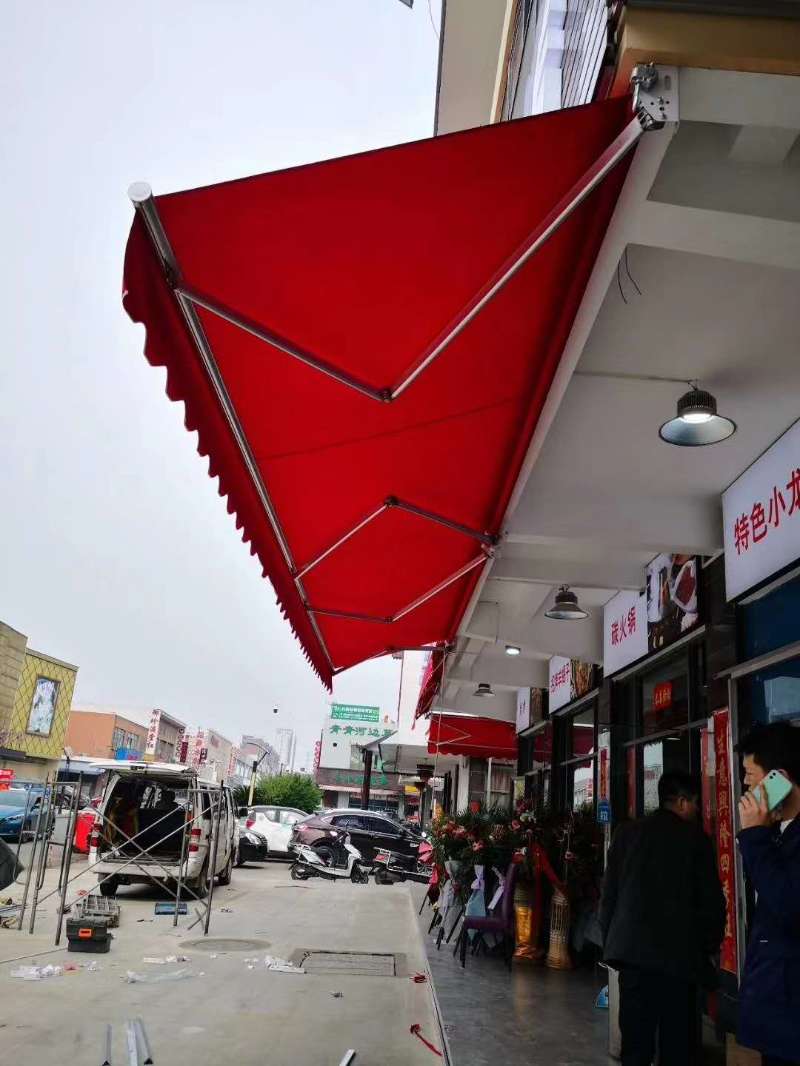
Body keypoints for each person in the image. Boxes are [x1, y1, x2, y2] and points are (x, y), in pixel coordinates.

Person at [601, 771, 725, 1066]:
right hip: (679, 963)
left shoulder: (626, 834)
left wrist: (613, 944)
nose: (696, 810)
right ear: (682, 801)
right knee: (677, 1048)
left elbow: (609, 898)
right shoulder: (696, 840)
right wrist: (708, 948)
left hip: (633, 960)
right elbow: (711, 903)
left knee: (635, 1047)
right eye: (695, 803)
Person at [736, 722, 800, 1066]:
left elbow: (787, 905)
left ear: (780, 779)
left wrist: (755, 837)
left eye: (750, 774)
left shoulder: (770, 837)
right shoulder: (779, 832)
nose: (746, 785)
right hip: (778, 1014)